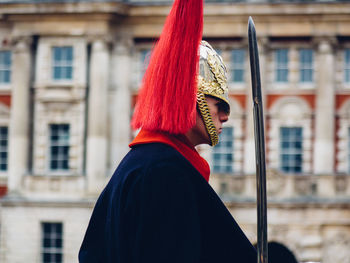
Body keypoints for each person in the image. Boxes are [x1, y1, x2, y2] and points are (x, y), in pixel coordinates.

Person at [79, 0, 257, 262]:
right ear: (188, 97)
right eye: (219, 104)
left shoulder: (147, 162)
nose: (226, 116)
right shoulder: (164, 170)